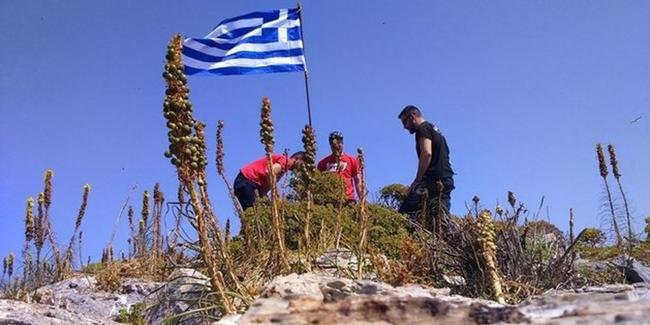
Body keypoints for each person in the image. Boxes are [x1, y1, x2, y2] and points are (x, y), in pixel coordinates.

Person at [397, 105, 455, 219]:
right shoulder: (434, 129)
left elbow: (427, 153)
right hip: (446, 179)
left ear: (412, 116)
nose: (404, 127)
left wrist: (418, 180)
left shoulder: (423, 129)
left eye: (405, 122)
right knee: (439, 219)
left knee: (406, 213)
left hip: (432, 180)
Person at [234, 151, 305, 210]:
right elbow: (270, 172)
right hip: (247, 181)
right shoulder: (288, 161)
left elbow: (264, 191)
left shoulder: (282, 170)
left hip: (247, 183)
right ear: (297, 159)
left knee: (262, 212)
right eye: (302, 165)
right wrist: (276, 193)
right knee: (254, 215)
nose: (301, 169)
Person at [317, 131, 362, 202]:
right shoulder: (323, 163)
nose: (336, 146)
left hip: (348, 199)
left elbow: (358, 181)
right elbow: (318, 183)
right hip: (330, 200)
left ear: (342, 143)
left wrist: (362, 200)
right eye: (333, 144)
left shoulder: (352, 160)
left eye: (339, 142)